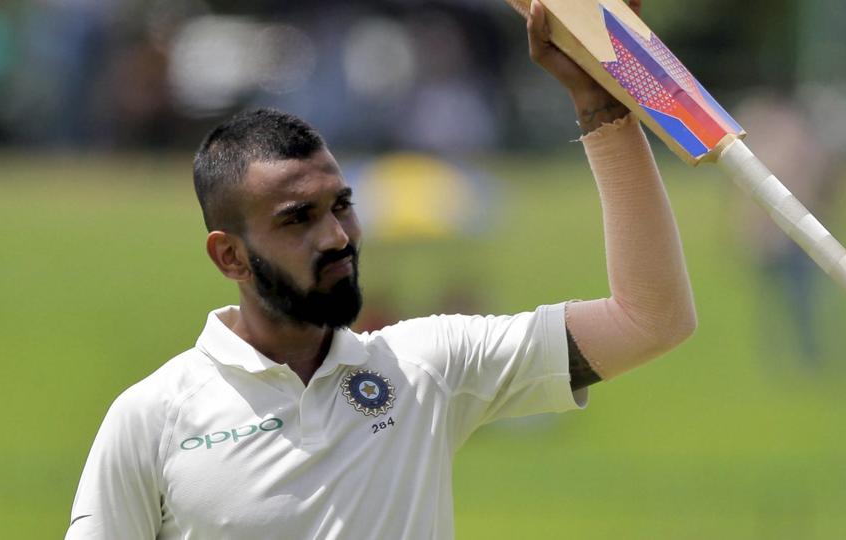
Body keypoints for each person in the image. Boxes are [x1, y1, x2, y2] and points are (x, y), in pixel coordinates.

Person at [65, 1, 695, 538]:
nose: (337, 237)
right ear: (229, 255)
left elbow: (652, 320)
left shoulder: (425, 366)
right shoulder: (152, 417)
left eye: (341, 205)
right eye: (298, 219)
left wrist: (602, 111)